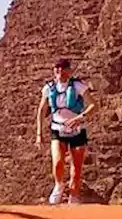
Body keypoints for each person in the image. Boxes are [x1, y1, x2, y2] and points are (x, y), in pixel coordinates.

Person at [35, 59, 96, 205]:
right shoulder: (48, 88)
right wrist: (39, 134)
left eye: (63, 68)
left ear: (69, 70)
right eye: (57, 68)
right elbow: (41, 111)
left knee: (77, 165)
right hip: (57, 129)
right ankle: (59, 184)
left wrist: (80, 118)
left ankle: (74, 194)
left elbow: (93, 105)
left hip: (77, 130)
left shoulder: (78, 86)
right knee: (57, 162)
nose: (59, 71)